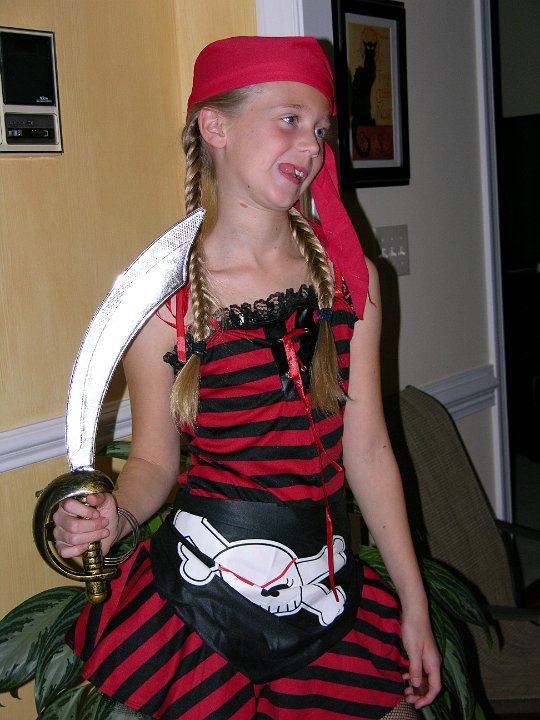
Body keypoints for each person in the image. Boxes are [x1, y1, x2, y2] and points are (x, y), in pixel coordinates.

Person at [53, 36, 441, 720]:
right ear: (216, 126)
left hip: (326, 594)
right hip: (197, 610)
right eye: (289, 119)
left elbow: (370, 451)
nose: (311, 146)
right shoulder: (164, 303)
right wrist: (114, 517)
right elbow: (153, 462)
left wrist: (414, 603)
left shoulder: (349, 282)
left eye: (320, 129)